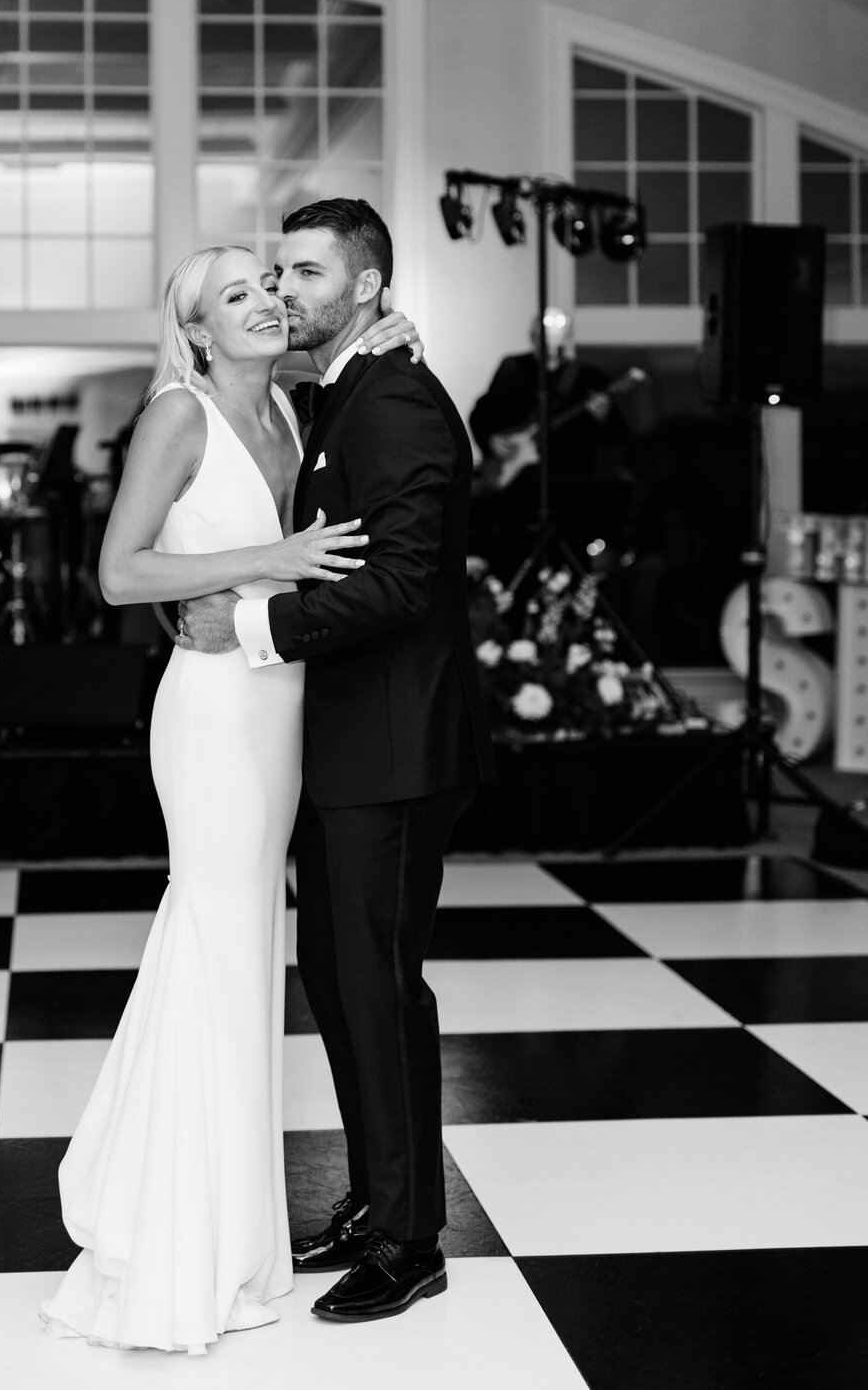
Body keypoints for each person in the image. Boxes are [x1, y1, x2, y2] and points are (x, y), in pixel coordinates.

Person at [39, 245, 420, 1355]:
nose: (263, 301)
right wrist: (278, 554)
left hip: (284, 712)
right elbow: (120, 573)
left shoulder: (299, 410)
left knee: (253, 963)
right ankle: (178, 1244)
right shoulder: (178, 415)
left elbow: (365, 358)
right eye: (235, 296)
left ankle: (235, 1234)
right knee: (214, 944)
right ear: (199, 331)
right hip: (210, 714)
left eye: (269, 285)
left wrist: (398, 336)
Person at [181, 200, 495, 1327]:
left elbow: (406, 580)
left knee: (379, 990)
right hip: (350, 744)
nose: (283, 290)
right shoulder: (351, 387)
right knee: (342, 982)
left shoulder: (396, 396)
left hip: (397, 749)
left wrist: (256, 630)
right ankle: (376, 1200)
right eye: (275, 270)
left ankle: (414, 1239)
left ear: (365, 288)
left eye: (306, 272)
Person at [469, 307, 630, 576]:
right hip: (516, 494)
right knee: (512, 564)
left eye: (555, 337)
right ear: (532, 336)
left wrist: (605, 417)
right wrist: (492, 439)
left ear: (566, 339)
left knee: (568, 566)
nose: (547, 344)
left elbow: (617, 437)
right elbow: (481, 414)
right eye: (542, 336)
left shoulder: (588, 377)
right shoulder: (513, 369)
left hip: (569, 493)